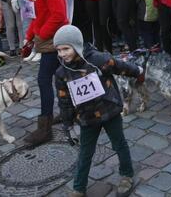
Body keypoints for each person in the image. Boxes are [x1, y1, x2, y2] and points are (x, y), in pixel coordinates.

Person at [53, 25, 141, 197]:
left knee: (119, 144)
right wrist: (68, 124)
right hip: (86, 118)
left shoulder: (97, 59)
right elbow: (64, 101)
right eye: (59, 50)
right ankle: (79, 188)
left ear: (77, 45)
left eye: (66, 48)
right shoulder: (61, 73)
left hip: (109, 111)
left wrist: (137, 71)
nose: (62, 54)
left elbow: (118, 65)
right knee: (85, 153)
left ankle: (126, 175)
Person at [17, 0, 69, 146]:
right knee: (61, 77)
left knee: (44, 79)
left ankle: (45, 127)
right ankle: (67, 111)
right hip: (46, 35)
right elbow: (38, 13)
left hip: (55, 37)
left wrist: (40, 35)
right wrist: (30, 36)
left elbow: (58, 15)